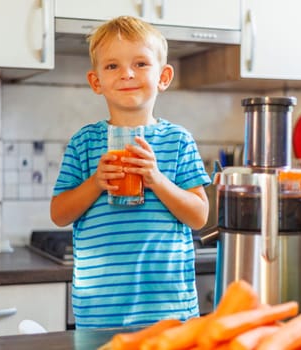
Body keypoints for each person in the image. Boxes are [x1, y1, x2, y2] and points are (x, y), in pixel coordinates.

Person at [50, 15, 211, 329]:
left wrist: (156, 179)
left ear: (163, 77)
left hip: (169, 309)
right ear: (96, 82)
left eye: (140, 63)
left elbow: (199, 216)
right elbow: (59, 213)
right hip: (100, 311)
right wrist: (96, 183)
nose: (126, 74)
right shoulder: (84, 142)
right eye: (112, 66)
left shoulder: (178, 141)